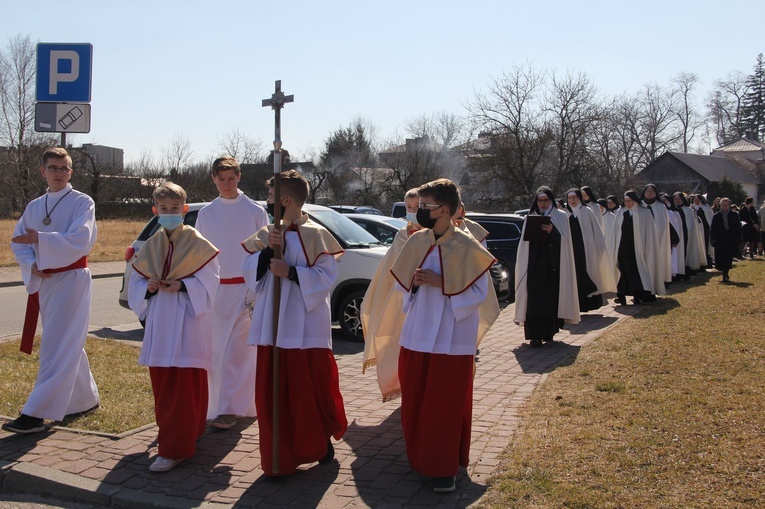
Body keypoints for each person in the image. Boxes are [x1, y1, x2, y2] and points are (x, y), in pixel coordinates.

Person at [390, 179, 497, 493]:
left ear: (446, 210)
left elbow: (479, 292)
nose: (420, 212)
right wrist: (415, 281)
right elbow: (400, 285)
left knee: (444, 405)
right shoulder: (416, 241)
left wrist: (441, 281)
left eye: (427, 207)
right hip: (417, 332)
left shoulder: (468, 247)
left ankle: (445, 467)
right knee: (417, 400)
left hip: (452, 337)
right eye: (420, 206)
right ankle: (422, 457)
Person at [241, 170, 347, 477]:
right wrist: (265, 255)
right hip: (271, 328)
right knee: (272, 394)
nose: (268, 203)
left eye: (271, 197)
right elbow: (249, 270)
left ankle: (316, 446)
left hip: (302, 330)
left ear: (285, 200)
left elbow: (326, 278)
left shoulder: (315, 234)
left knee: (304, 394)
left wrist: (290, 272)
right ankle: (278, 457)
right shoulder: (268, 232)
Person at [3, 147, 100, 434]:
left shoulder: (83, 202)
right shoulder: (35, 206)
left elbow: (80, 239)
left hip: (71, 279)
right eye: (53, 167)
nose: (59, 173)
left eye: (64, 168)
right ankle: (84, 398)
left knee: (56, 344)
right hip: (46, 281)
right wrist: (32, 263)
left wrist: (42, 241)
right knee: (66, 339)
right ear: (42, 171)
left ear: (71, 172)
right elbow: (19, 241)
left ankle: (35, 412)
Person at [128, 182, 220, 472]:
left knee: (185, 384)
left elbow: (210, 283)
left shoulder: (198, 243)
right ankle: (177, 434)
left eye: (175, 209)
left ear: (185, 209)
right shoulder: (152, 244)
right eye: (164, 209)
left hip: (188, 322)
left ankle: (175, 447)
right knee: (165, 384)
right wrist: (149, 287)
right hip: (160, 319)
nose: (169, 213)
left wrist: (182, 285)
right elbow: (136, 283)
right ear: (155, 211)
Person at [195, 156, 268, 429]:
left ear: (239, 177)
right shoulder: (206, 213)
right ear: (213, 179)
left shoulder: (254, 211)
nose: (226, 184)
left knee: (240, 352)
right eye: (221, 178)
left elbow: (262, 251)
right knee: (215, 351)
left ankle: (233, 408)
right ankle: (215, 404)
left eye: (231, 178)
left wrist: (256, 286)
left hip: (245, 288)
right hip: (215, 289)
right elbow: (200, 253)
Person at [361, 188, 421, 401]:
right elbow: (390, 270)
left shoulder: (435, 235)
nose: (412, 211)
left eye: (417, 207)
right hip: (403, 300)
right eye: (409, 208)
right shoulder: (402, 235)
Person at [514, 186, 579, 347]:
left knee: (550, 300)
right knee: (534, 302)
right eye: (539, 201)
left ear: (551, 200)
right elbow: (524, 245)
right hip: (534, 267)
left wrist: (552, 231)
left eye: (545, 201)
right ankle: (535, 335)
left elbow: (566, 242)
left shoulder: (561, 216)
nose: (542, 204)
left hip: (553, 267)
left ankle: (549, 332)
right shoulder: (531, 216)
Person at [609, 191, 665, 305]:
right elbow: (615, 231)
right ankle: (621, 295)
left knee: (637, 273)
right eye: (625, 201)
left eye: (629, 201)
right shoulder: (620, 212)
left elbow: (649, 233)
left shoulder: (644, 213)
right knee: (623, 273)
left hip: (638, 250)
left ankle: (639, 295)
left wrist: (646, 248)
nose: (627, 203)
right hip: (623, 248)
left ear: (635, 201)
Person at [565, 189, 615, 312]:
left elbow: (596, 232)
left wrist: (599, 248)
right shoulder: (565, 213)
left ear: (579, 198)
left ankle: (590, 303)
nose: (572, 200)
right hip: (571, 251)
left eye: (574, 197)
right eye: (570, 198)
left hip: (586, 250)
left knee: (587, 273)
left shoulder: (587, 212)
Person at [641, 184, 672, 286]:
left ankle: (660, 279)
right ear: (644, 192)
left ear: (655, 193)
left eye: (652, 191)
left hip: (658, 238)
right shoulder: (639, 205)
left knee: (659, 258)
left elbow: (664, 224)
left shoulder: (661, 207)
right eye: (648, 191)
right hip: (643, 239)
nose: (649, 193)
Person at [710, 198, 742, 282]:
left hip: (730, 239)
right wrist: (713, 239)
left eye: (726, 205)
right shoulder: (716, 216)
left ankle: (725, 274)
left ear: (729, 206)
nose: (724, 207)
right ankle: (723, 271)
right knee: (721, 257)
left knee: (728, 257)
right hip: (720, 239)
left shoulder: (734, 215)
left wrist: (739, 239)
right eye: (722, 205)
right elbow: (713, 229)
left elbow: (738, 227)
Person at [673, 192, 705, 276]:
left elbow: (691, 224)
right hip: (677, 234)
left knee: (687, 251)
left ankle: (687, 269)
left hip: (687, 234)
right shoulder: (673, 210)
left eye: (679, 199)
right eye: (675, 199)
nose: (677, 201)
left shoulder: (688, 210)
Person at [692, 194, 714, 267]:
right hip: (697, 229)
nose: (696, 201)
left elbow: (710, 217)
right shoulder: (692, 208)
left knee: (706, 244)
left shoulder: (706, 207)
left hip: (706, 228)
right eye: (695, 200)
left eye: (698, 200)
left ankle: (708, 261)